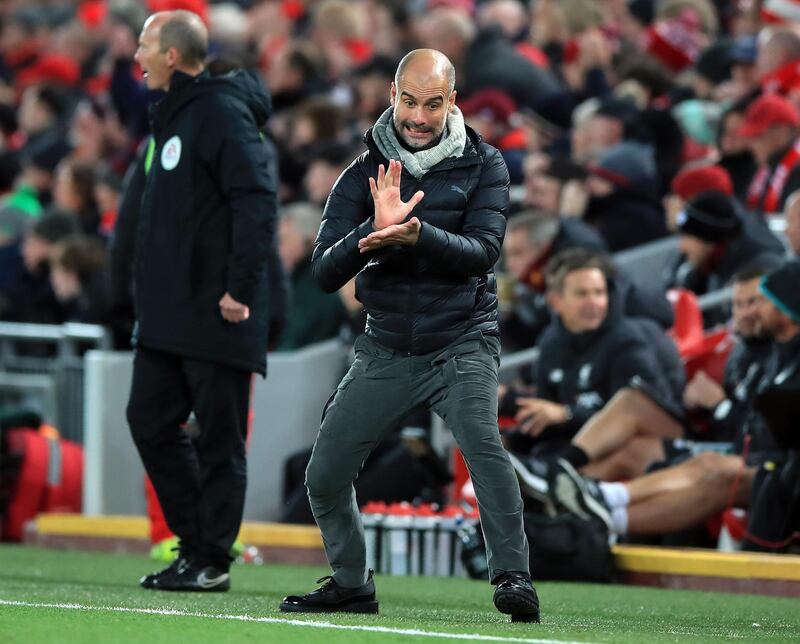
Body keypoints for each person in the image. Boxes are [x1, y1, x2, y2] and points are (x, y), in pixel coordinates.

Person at [279, 49, 539, 622]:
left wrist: (416, 236)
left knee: (484, 450)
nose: (418, 115)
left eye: (433, 102)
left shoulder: (486, 164)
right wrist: (370, 234)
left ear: (453, 101)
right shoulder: (361, 170)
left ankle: (513, 577)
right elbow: (324, 272)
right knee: (323, 476)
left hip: (461, 339)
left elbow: (484, 254)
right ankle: (352, 583)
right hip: (386, 345)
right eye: (409, 100)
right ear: (393, 95)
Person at [125, 10, 278, 592]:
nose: (135, 56)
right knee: (148, 418)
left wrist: (240, 286)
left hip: (219, 308)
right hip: (168, 310)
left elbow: (256, 199)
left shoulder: (219, 111)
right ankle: (197, 545)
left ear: (170, 55)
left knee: (219, 439)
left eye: (143, 44)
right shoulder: (170, 116)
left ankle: (210, 558)